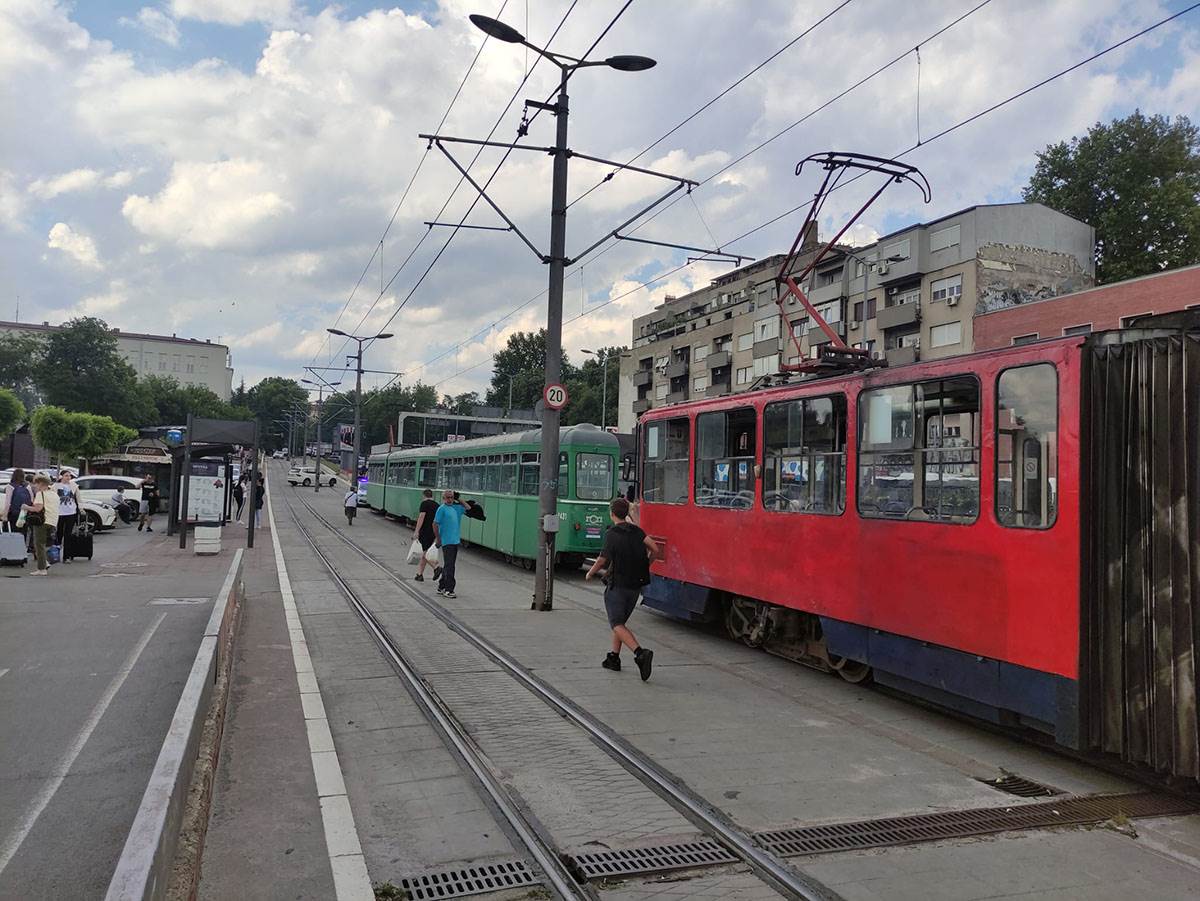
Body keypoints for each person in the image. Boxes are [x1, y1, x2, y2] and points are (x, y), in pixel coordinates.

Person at [585, 497, 659, 681]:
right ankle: (614, 658)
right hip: (635, 586)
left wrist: (590, 573)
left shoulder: (612, 533)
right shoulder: (637, 531)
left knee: (616, 623)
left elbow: (602, 559)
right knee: (620, 623)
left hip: (618, 585)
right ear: (626, 513)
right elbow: (655, 549)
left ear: (612, 514)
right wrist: (646, 564)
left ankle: (640, 654)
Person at [22, 474, 59, 576]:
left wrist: (26, 507)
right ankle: (45, 562)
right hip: (53, 521)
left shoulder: (40, 494)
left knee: (39, 545)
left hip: (42, 522)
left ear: (41, 484)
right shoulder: (54, 494)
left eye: (36, 484)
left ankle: (42, 569)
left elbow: (38, 508)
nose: (35, 486)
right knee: (46, 544)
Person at [433, 489, 466, 598]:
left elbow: (468, 508)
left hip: (455, 540)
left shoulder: (456, 508)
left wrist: (459, 498)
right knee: (450, 565)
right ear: (443, 498)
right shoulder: (441, 509)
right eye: (447, 497)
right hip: (447, 541)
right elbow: (435, 524)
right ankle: (449, 589)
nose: (450, 499)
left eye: (451, 497)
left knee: (448, 565)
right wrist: (438, 539)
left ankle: (441, 586)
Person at [413, 488, 439, 582]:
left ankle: (436, 567)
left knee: (424, 553)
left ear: (424, 495)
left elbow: (421, 517)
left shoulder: (424, 504)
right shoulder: (437, 505)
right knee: (425, 552)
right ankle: (420, 574)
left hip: (425, 531)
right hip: (433, 531)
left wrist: (416, 531)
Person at [55, 470, 80, 563]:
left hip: (71, 512)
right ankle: (56, 554)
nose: (68, 477)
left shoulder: (74, 486)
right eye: (66, 475)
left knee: (68, 535)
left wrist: (80, 509)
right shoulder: (55, 486)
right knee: (59, 534)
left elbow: (78, 498)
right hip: (59, 513)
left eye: (69, 476)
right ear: (61, 476)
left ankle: (67, 556)